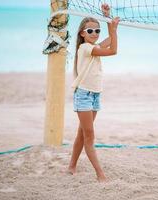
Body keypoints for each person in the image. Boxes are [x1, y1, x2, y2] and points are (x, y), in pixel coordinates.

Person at [67, 3, 120, 182]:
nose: (95, 34)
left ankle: (71, 166)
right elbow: (113, 50)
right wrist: (112, 28)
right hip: (83, 95)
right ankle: (100, 174)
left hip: (95, 94)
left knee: (82, 133)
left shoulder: (93, 48)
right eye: (90, 31)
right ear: (82, 33)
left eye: (97, 31)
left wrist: (107, 18)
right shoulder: (86, 48)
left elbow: (110, 42)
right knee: (89, 136)